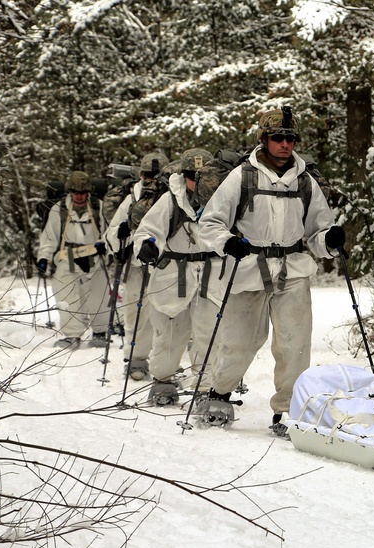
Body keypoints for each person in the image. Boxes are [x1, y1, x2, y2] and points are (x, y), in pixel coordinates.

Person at [196, 106, 341, 436]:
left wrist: (329, 239)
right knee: (241, 341)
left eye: (290, 139)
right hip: (248, 268)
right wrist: (227, 242)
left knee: (295, 343)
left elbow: (318, 231)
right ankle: (219, 395)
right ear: (264, 139)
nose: (285, 145)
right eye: (278, 138)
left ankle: (288, 410)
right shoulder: (242, 177)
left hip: (292, 270)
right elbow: (210, 223)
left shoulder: (305, 182)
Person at [133, 148, 221, 406]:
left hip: (210, 276)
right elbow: (147, 230)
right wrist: (148, 245)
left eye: (202, 175)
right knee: (170, 333)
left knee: (209, 334)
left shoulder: (221, 200)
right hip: (173, 275)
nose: (197, 180)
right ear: (183, 176)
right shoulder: (169, 201)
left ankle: (206, 387)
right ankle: (163, 380)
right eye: (192, 175)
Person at [102, 152, 168, 379]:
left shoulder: (171, 195)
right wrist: (120, 234)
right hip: (136, 264)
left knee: (165, 313)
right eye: (147, 174)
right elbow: (111, 231)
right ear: (141, 174)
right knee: (135, 312)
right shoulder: (132, 197)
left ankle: (165, 362)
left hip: (165, 264)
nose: (151, 179)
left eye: (155, 175)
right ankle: (136, 359)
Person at [35, 171, 111, 347]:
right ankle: (72, 335)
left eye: (82, 192)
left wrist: (103, 244)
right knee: (66, 294)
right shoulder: (59, 209)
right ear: (69, 191)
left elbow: (109, 232)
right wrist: (43, 258)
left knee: (98, 294)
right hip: (67, 258)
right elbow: (49, 236)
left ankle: (100, 332)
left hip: (94, 257)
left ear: (88, 192)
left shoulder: (98, 207)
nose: (79, 196)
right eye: (75, 192)